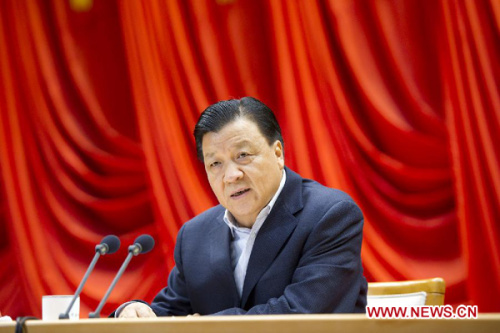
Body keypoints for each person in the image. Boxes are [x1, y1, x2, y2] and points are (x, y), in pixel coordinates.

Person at [118, 97, 367, 317]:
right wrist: (132, 311)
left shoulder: (330, 215)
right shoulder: (194, 235)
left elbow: (303, 314)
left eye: (243, 156)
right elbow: (170, 313)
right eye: (215, 163)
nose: (230, 175)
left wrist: (203, 327)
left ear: (278, 152)